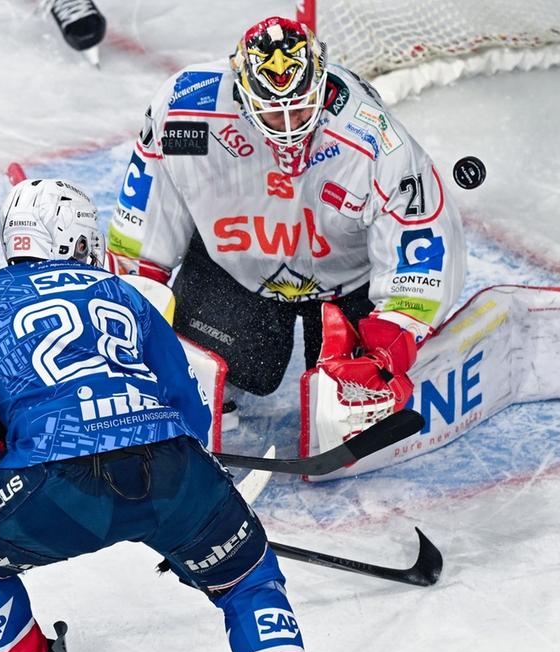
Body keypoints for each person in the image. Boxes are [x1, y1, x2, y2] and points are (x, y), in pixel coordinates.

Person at [0, 179, 326, 652]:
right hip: (175, 471)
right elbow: (190, 409)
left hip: (53, 484)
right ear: (77, 240)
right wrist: (183, 513)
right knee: (247, 575)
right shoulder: (124, 293)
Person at [107, 15, 466, 423]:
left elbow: (422, 242)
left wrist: (388, 343)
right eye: (274, 113)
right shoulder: (185, 106)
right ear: (242, 94)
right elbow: (143, 220)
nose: (290, 126)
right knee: (223, 369)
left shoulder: (374, 138)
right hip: (236, 273)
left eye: (300, 108)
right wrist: (127, 317)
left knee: (345, 392)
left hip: (346, 286)